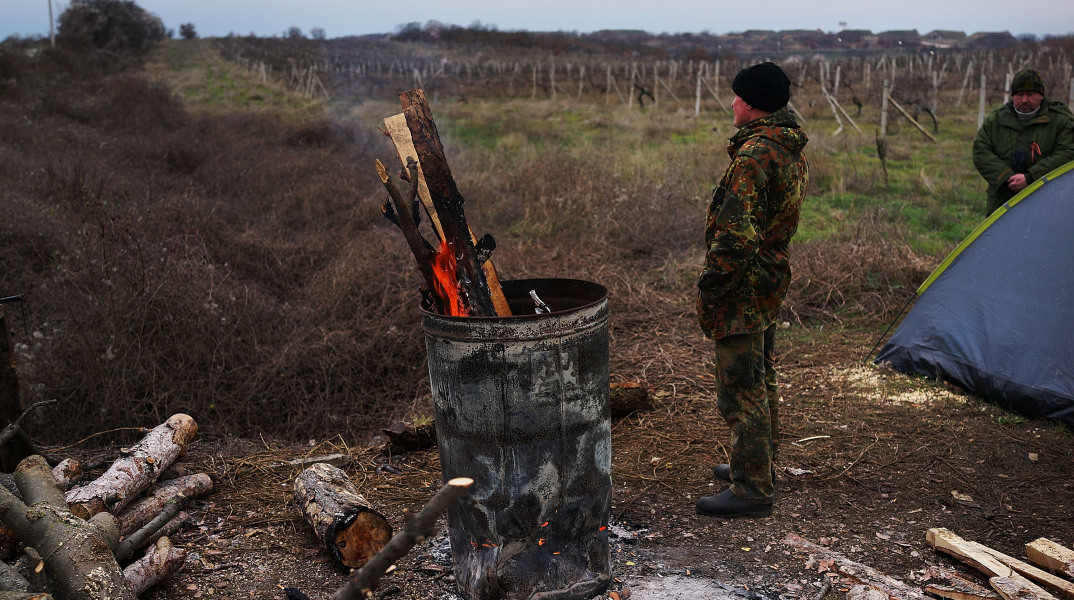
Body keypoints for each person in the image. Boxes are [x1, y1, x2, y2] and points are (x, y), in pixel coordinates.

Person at [695, 62, 809, 518]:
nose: (732, 104)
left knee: (741, 388)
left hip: (743, 286)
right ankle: (759, 462)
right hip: (768, 277)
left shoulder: (755, 156)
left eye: (738, 97)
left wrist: (711, 287)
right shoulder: (787, 146)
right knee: (761, 376)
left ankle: (752, 488)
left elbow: (736, 238)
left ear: (752, 103)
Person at [973, 68, 1074, 216]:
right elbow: (980, 151)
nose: (1025, 100)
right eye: (1020, 95)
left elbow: (1068, 154)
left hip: (1047, 202)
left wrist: (1032, 177)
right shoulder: (995, 120)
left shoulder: (1060, 121)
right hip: (1002, 202)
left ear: (1041, 96)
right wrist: (1007, 178)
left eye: (1030, 95)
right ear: (1012, 96)